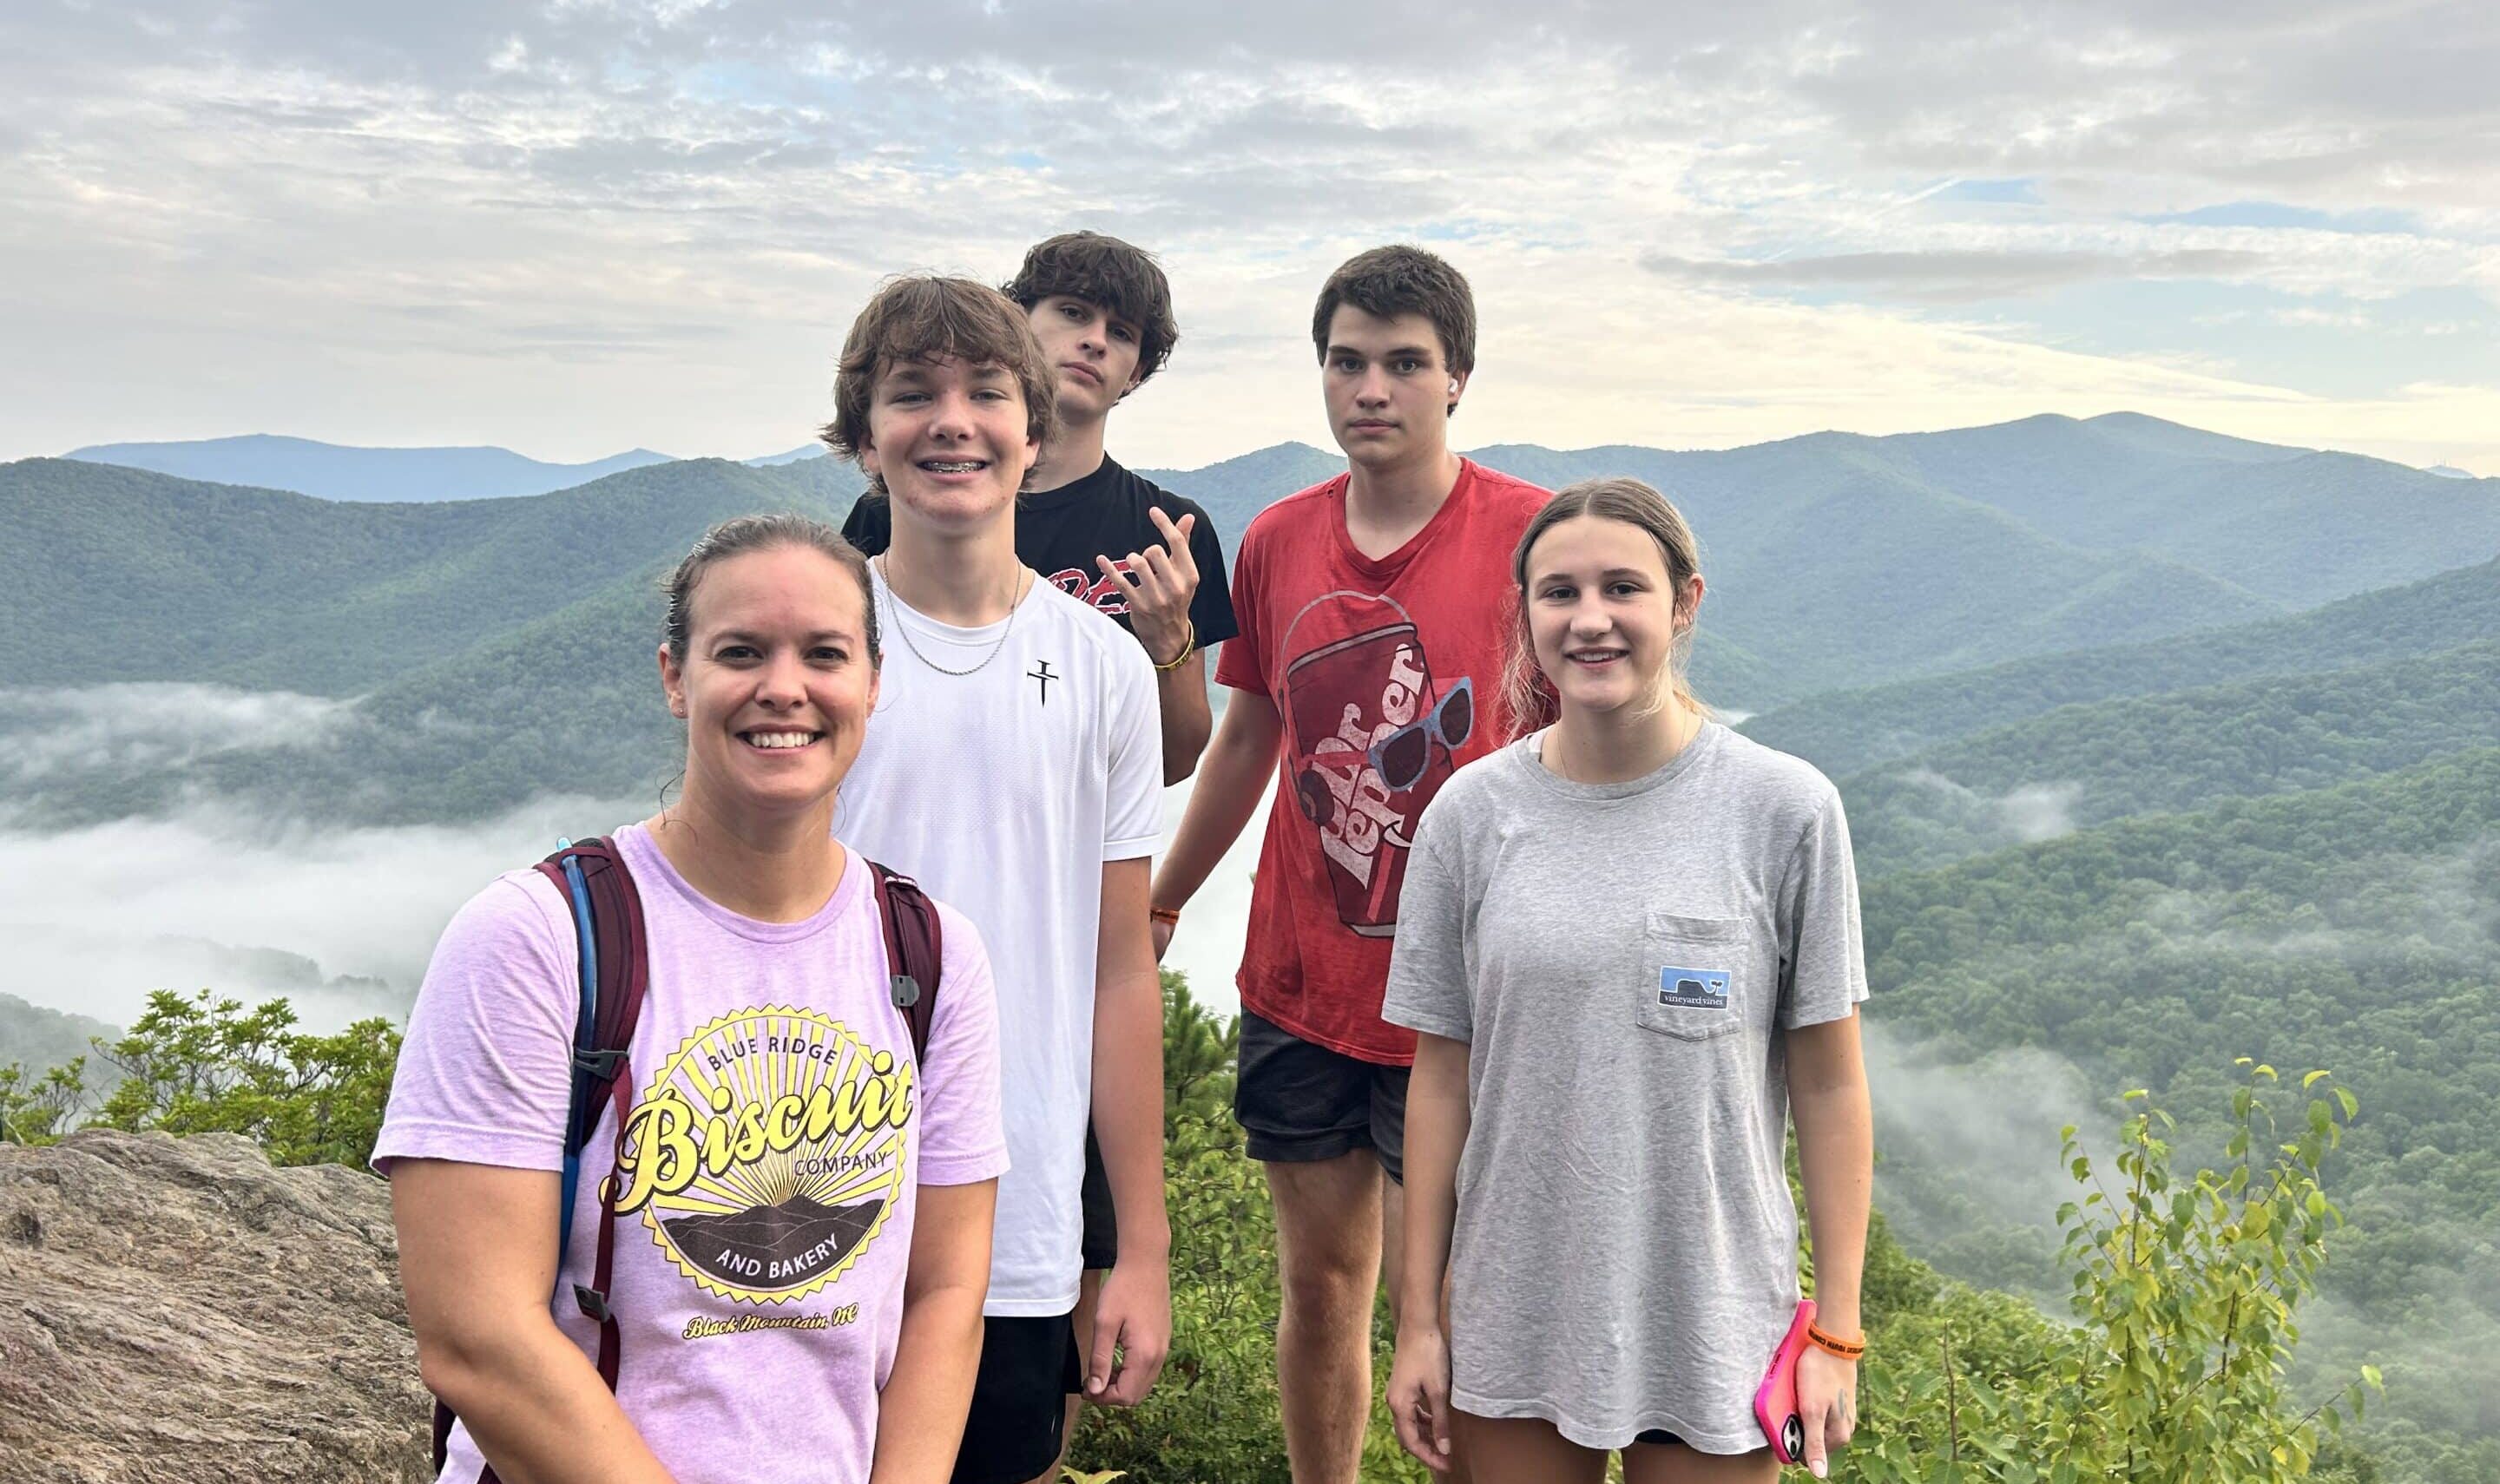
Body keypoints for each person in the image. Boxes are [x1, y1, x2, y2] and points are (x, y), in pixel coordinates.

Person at [378, 513, 1009, 1484]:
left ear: (873, 685)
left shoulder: (929, 955)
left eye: (825, 654)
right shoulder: (537, 939)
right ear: (676, 677)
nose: (784, 688)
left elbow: (944, 1295)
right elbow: (477, 1340)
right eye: (742, 652)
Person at [1150, 245, 1549, 1483]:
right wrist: (1165, 896)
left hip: (1474, 998)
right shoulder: (1277, 539)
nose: (1371, 388)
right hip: (1305, 981)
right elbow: (1255, 734)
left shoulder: (1532, 533)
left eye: (1403, 363)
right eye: (1347, 361)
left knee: (1469, 1308)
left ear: (1458, 379)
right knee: (1321, 1283)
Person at [1382, 477, 1873, 1482]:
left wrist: (1838, 1333)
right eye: (1559, 592)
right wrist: (1419, 1324)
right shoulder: (1470, 818)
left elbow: (1828, 1084)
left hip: (1714, 1309)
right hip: (1515, 1305)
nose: (1590, 619)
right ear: (1524, 611)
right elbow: (1438, 1084)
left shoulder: (1785, 811)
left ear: (1684, 602)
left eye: (1623, 589)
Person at [839, 237, 1234, 1472]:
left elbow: (1120, 969)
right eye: (913, 394)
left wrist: (1139, 1247)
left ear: (1031, 426)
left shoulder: (1111, 658)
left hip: (1018, 1197)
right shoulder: (816, 634)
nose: (952, 424)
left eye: (982, 395)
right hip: (800, 1173)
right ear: (862, 439)